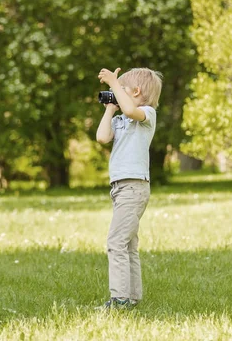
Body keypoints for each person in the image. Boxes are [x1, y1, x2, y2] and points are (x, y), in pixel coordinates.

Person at [95, 67, 162, 309]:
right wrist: (110, 109)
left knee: (116, 242)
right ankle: (132, 297)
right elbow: (102, 137)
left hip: (134, 187)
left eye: (121, 90)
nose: (116, 92)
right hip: (121, 188)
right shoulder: (121, 119)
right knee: (128, 244)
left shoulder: (146, 113)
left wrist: (113, 82)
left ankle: (120, 298)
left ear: (136, 91)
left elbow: (131, 109)